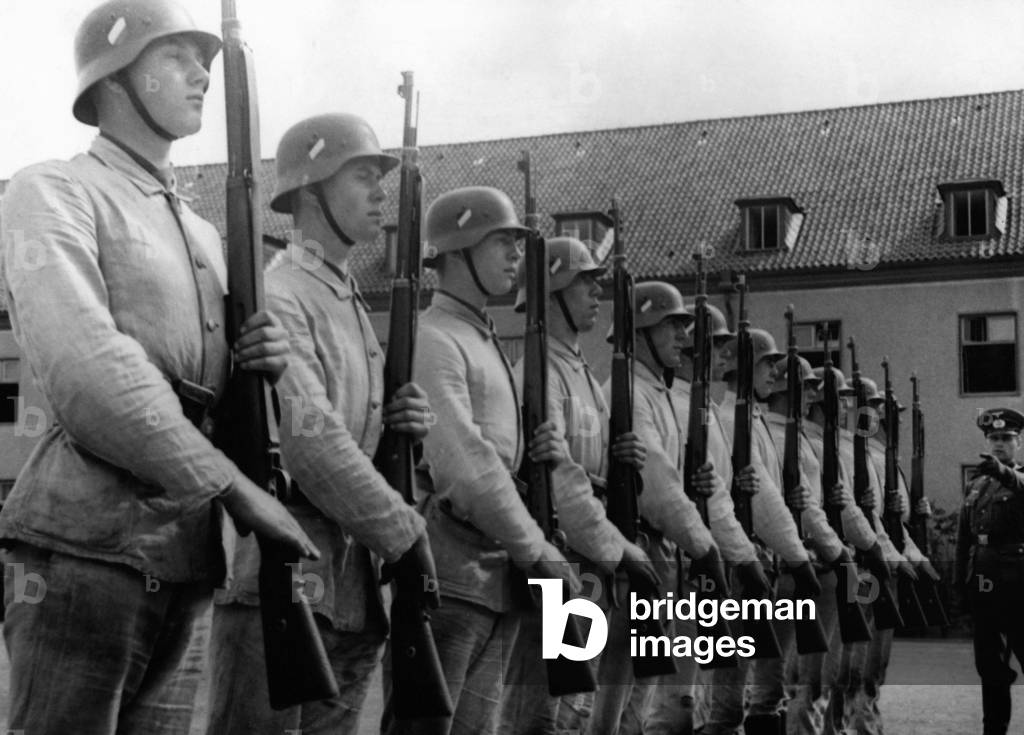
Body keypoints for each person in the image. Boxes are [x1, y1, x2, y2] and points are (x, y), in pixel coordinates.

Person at [0, 1, 318, 732]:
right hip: (81, 549)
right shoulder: (52, 189)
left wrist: (265, 370)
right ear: (113, 77)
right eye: (176, 56)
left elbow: (232, 408)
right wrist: (234, 489)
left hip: (186, 558)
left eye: (204, 59)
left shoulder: (204, 233)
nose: (201, 73)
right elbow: (88, 370)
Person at [207, 113, 437, 734]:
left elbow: (357, 439)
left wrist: (405, 431)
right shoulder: (281, 294)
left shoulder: (347, 300)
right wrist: (403, 533)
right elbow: (312, 443)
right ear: (311, 192)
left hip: (349, 592)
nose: (380, 193)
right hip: (283, 579)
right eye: (362, 176)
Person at [384, 186, 579, 735]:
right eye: (501, 241)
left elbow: (496, 456)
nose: (516, 254)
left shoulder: (482, 338)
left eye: (517, 242)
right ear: (459, 250)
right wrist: (535, 548)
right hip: (449, 576)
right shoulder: (436, 339)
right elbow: (464, 466)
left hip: (495, 577)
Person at [498, 236, 656, 735]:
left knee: (572, 713)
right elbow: (556, 478)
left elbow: (587, 466)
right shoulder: (538, 371)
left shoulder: (580, 372)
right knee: (542, 717)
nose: (596, 292)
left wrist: (623, 461)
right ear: (553, 290)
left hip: (588, 556)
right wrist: (616, 548)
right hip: (562, 550)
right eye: (584, 281)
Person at [594, 281, 726, 734]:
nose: (683, 337)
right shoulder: (629, 392)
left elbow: (670, 476)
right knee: (611, 705)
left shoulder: (658, 394)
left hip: (659, 556)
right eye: (671, 325)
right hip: (632, 556)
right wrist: (703, 544)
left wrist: (696, 485)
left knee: (639, 704)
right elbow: (654, 483)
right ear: (642, 331)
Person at [704, 328, 817, 735]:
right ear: (741, 366)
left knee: (761, 684)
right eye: (766, 364)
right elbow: (759, 498)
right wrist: (797, 554)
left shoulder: (754, 420)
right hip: (737, 561)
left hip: (761, 557)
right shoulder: (730, 419)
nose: (774, 372)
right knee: (727, 692)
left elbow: (770, 492)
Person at [955, 407, 1024, 735]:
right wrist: (959, 586)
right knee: (989, 667)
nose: (999, 444)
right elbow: (964, 539)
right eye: (994, 438)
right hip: (984, 585)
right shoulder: (977, 484)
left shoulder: (1018, 478)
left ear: (1019, 442)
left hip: (1019, 586)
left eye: (1007, 438)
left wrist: (1004, 472)